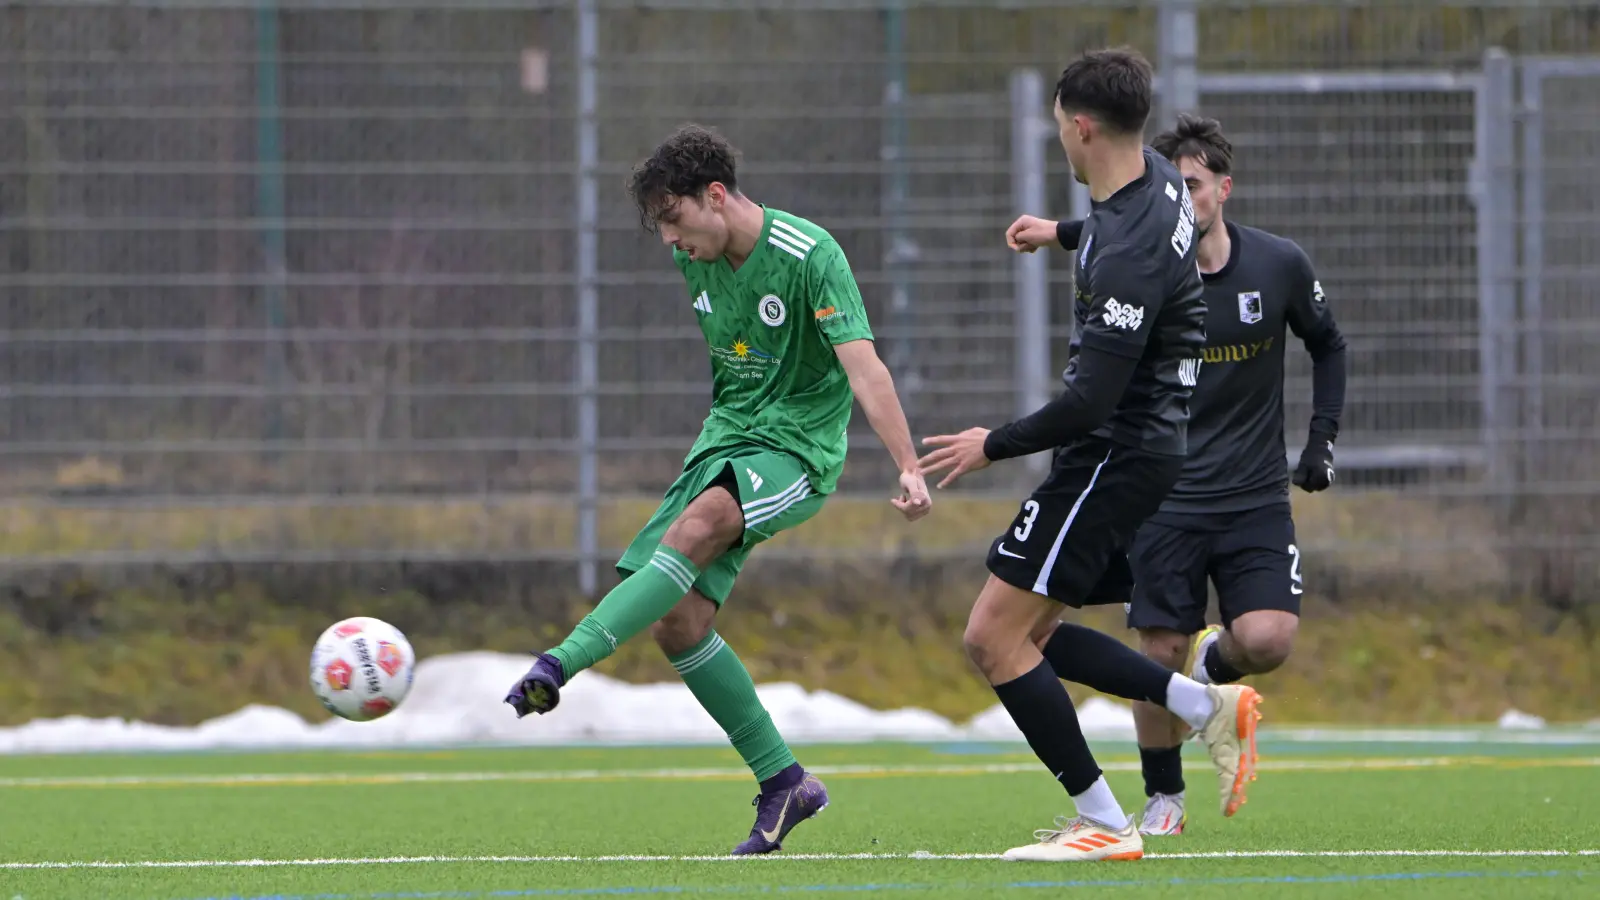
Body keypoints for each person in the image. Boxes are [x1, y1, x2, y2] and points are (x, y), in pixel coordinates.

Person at [504, 123, 933, 855]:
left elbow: (865, 369)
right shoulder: (697, 259)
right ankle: (784, 783)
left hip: (798, 450)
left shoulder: (810, 255)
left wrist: (908, 464)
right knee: (679, 622)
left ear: (715, 196)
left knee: (703, 520)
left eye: (674, 221)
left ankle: (560, 661)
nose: (670, 242)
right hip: (726, 441)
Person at [918, 48, 1261, 863]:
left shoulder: (1129, 254)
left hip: (1114, 451)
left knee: (991, 639)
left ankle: (1105, 822)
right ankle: (1201, 705)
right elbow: (1119, 220)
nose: (1060, 145)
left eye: (1059, 131)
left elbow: (1088, 404)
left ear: (1079, 126)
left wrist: (989, 444)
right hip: (1148, 453)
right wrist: (1060, 232)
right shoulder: (1155, 178)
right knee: (1029, 633)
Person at [1009, 114, 1347, 837]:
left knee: (1266, 641)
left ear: (1224, 189)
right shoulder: (1154, 272)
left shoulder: (1279, 266)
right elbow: (1114, 239)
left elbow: (1329, 344)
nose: (1181, 198)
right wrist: (1060, 233)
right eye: (1172, 186)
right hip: (1169, 492)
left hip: (1255, 496)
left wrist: (1320, 442)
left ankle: (1206, 671)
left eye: (1193, 185)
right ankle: (1164, 796)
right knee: (1154, 646)